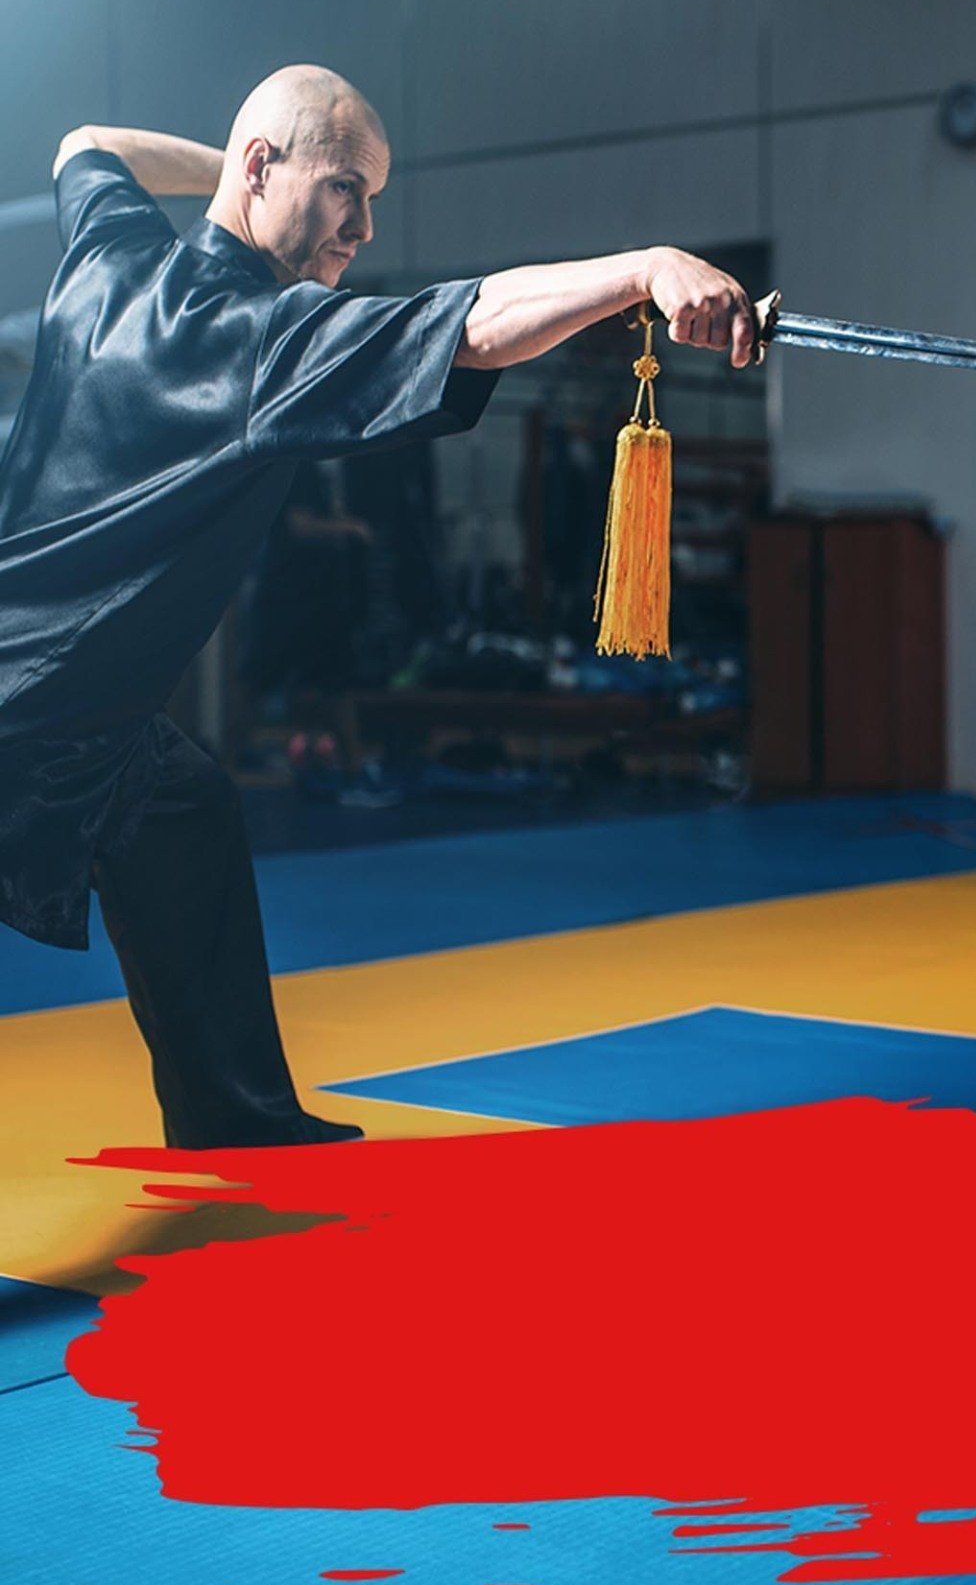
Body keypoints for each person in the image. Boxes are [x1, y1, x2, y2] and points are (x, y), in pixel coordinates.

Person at [0, 65, 757, 1149]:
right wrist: (643, 268)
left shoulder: (108, 262)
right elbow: (481, 322)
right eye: (345, 188)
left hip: (80, 717)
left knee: (182, 809)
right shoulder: (268, 340)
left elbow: (86, 144)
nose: (359, 226)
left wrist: (237, 172)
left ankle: (236, 1118)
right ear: (265, 167)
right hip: (30, 722)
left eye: (373, 200)